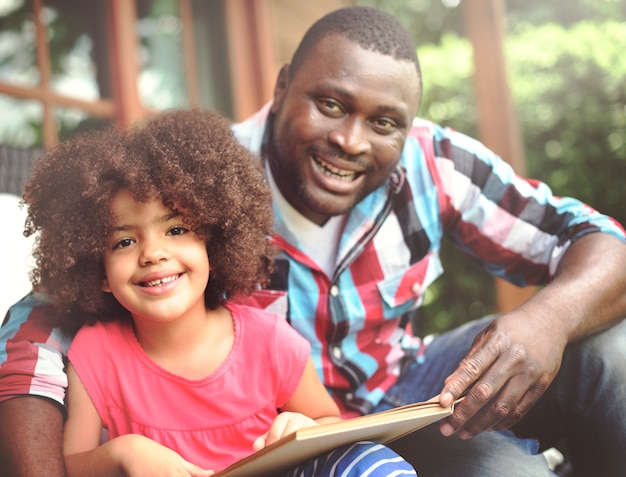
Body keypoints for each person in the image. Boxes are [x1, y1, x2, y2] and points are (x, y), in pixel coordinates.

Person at [1, 5, 625, 476]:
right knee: (501, 471)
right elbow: (43, 321)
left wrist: (548, 318)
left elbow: (603, 243)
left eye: (384, 123)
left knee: (611, 353)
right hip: (288, 446)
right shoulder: (196, 188)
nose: (352, 141)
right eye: (330, 104)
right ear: (280, 90)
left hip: (414, 394)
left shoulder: (436, 164)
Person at [11, 108, 417, 477]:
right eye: (123, 242)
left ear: (214, 240)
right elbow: (72, 467)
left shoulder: (270, 341)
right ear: (96, 271)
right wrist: (125, 451)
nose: (153, 253)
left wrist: (304, 427)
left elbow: (331, 425)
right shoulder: (95, 354)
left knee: (369, 463)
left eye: (175, 230)